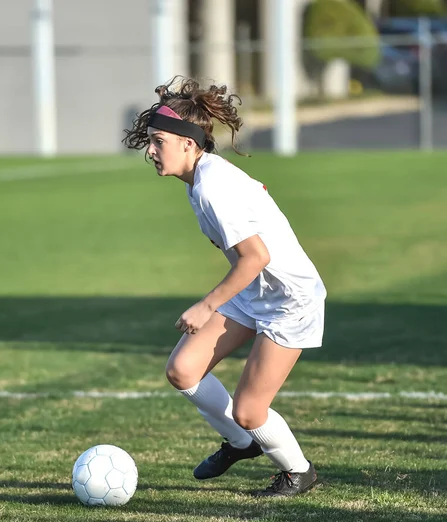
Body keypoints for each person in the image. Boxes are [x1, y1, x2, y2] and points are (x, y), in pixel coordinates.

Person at [122, 77, 327, 497]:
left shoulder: (215, 186)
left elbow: (257, 257)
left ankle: (298, 472)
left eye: (159, 140)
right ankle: (241, 443)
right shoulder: (199, 180)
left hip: (290, 301)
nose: (151, 150)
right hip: (255, 293)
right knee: (183, 370)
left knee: (251, 411)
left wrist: (205, 305)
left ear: (188, 143)